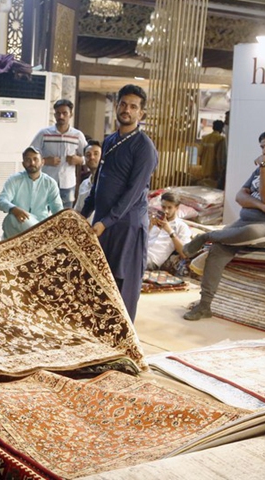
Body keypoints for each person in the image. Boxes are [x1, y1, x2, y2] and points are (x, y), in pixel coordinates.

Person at [183, 128, 265, 320]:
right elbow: (240, 196)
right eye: (262, 147)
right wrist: (261, 206)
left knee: (249, 232)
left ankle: (205, 236)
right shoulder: (260, 169)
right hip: (249, 218)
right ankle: (204, 306)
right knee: (218, 249)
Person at [80, 84, 159, 322]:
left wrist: (106, 222)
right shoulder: (110, 140)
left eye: (133, 107)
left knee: (123, 284)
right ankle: (102, 336)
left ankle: (123, 342)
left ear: (141, 114)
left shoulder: (144, 147)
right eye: (123, 104)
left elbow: (134, 192)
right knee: (102, 280)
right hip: (104, 225)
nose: (127, 110)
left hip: (127, 226)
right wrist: (83, 214)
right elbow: (98, 183)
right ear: (117, 106)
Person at [31, 99, 87, 209]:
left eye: (64, 113)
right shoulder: (44, 134)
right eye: (58, 113)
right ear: (54, 114)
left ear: (70, 114)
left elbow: (88, 156)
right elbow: (30, 155)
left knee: (65, 216)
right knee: (43, 214)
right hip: (46, 183)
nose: (61, 116)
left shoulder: (77, 135)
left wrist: (79, 160)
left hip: (68, 184)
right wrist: (45, 161)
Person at [0, 146, 62, 239]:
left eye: (35, 159)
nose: (32, 163)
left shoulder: (50, 183)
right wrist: (13, 209)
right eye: (28, 160)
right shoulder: (14, 180)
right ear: (23, 164)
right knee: (11, 218)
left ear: (42, 162)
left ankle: (37, 239)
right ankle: (39, 240)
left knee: (15, 220)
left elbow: (58, 210)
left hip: (39, 225)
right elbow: (1, 200)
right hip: (17, 226)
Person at [147, 192, 192, 270]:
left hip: (152, 261)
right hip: (139, 253)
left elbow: (185, 254)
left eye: (169, 208)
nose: (166, 211)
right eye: (163, 207)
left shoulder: (181, 227)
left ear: (177, 208)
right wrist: (149, 227)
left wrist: (170, 231)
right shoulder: (155, 220)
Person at [73, 140, 102, 214]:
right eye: (88, 155)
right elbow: (77, 211)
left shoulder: (110, 182)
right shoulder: (84, 184)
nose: (92, 157)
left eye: (96, 154)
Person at [198, 119, 227, 186]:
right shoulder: (221, 139)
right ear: (222, 129)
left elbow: (200, 153)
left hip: (204, 171)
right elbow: (221, 158)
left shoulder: (205, 138)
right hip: (214, 174)